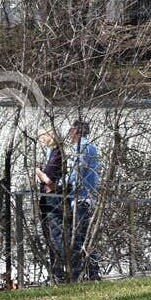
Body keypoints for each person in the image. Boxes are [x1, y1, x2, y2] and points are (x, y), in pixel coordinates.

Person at [59, 119, 101, 281]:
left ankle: (78, 274)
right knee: (85, 235)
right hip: (87, 197)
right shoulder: (90, 146)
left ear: (76, 130)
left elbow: (76, 174)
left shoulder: (82, 148)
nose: (69, 132)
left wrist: (59, 185)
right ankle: (92, 272)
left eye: (71, 128)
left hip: (81, 198)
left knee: (77, 237)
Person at [33, 129, 67, 278]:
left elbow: (49, 180)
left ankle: (59, 271)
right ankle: (56, 271)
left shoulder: (57, 154)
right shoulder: (51, 153)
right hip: (47, 198)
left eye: (42, 136)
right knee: (50, 234)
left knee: (55, 234)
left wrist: (38, 172)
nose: (40, 139)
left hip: (53, 199)